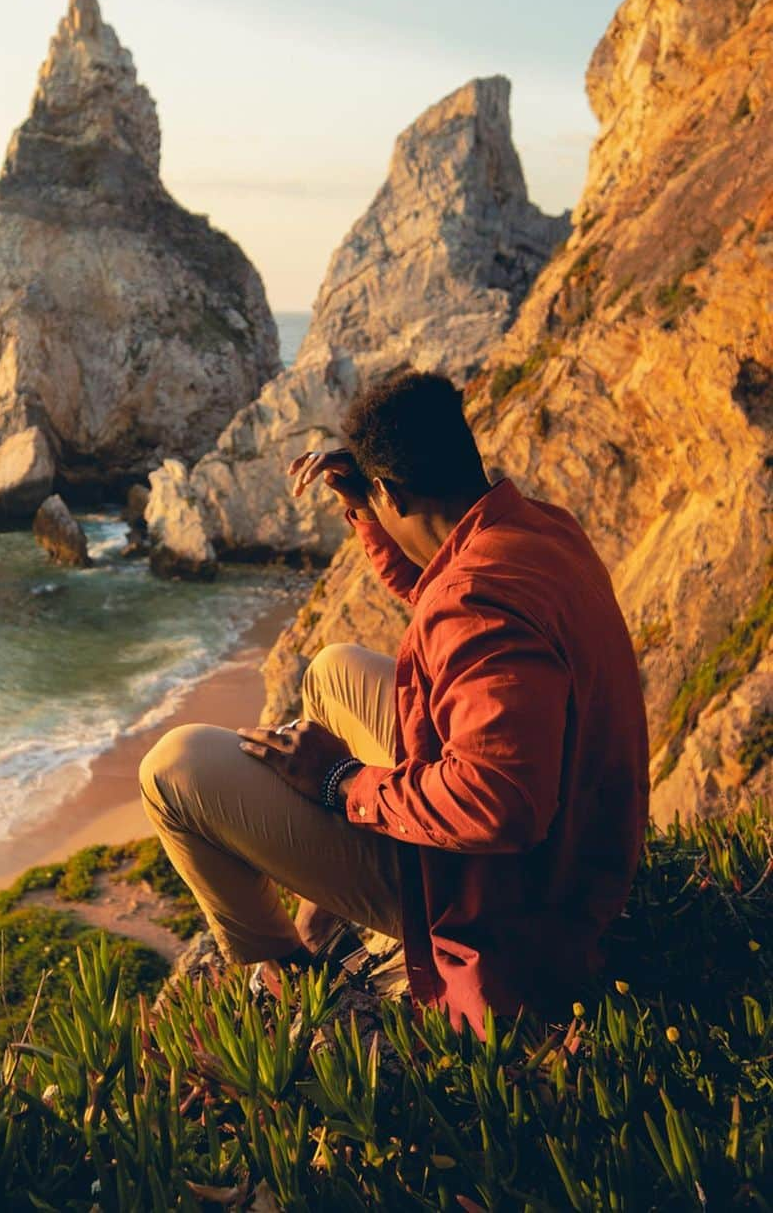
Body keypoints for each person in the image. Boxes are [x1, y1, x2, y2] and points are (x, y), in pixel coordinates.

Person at [139, 370, 650, 1036]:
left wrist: (341, 780)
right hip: (578, 851)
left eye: (377, 501)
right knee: (332, 670)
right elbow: (445, 592)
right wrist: (364, 509)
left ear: (397, 491)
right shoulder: (538, 531)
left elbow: (500, 808)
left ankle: (293, 979)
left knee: (173, 767)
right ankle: (328, 923)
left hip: (510, 902)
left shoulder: (474, 605)